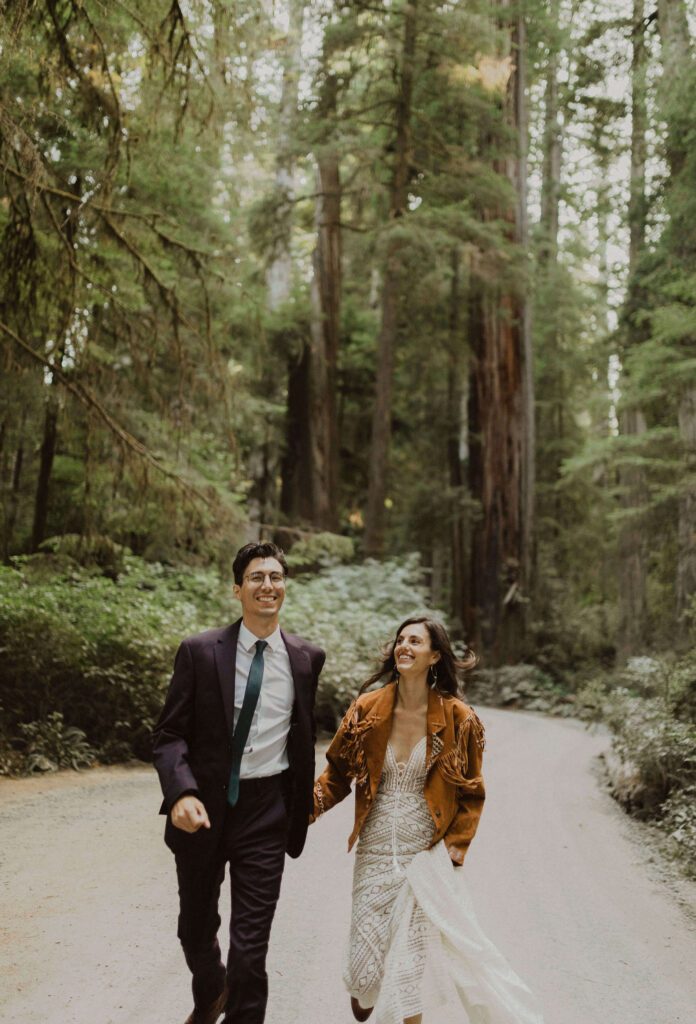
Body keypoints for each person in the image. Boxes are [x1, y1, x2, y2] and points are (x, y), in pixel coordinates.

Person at [311, 616, 543, 1024]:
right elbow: (335, 776)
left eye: (415, 641)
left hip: (426, 856)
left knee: (406, 973)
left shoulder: (459, 718)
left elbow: (472, 792)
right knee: (364, 979)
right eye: (401, 640)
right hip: (375, 851)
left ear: (435, 655)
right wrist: (297, 814)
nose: (404, 646)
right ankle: (367, 996)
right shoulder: (367, 709)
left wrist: (451, 855)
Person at [153, 541, 325, 1024]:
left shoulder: (306, 658)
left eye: (275, 577)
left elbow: (304, 734)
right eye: (256, 577)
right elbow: (168, 734)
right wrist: (181, 791)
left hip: (266, 811)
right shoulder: (200, 652)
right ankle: (210, 993)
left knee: (251, 950)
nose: (267, 585)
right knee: (194, 928)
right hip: (203, 809)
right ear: (237, 589)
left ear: (284, 587)